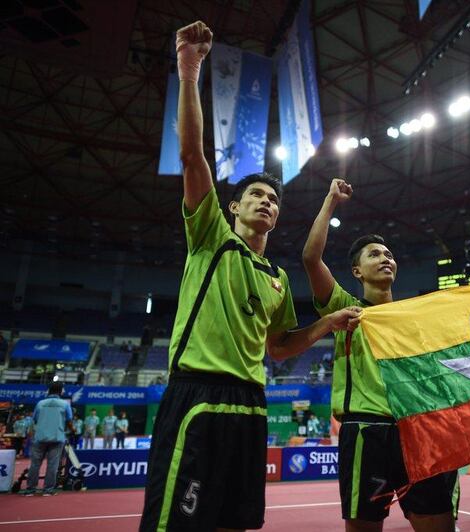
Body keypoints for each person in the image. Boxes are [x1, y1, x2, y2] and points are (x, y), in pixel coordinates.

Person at [138, 21, 361, 532]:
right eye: (258, 195)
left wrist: (326, 326)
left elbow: (279, 348)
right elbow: (193, 154)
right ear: (232, 205)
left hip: (251, 404)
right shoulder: (211, 237)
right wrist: (190, 68)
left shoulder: (277, 278)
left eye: (275, 199)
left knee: (234, 524)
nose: (268, 201)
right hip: (197, 395)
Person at [303, 178, 459, 531]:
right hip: (366, 433)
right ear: (357, 271)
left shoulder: (414, 318)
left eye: (388, 254)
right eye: (374, 254)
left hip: (419, 432)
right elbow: (311, 259)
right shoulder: (345, 308)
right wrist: (330, 201)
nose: (385, 258)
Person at [19, 381, 73, 496]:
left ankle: (30, 490)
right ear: (60, 390)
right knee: (52, 465)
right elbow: (69, 421)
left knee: (35, 464)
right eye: (63, 389)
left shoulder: (40, 403)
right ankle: (48, 490)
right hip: (57, 438)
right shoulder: (65, 404)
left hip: (40, 438)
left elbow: (36, 420)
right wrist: (73, 430)